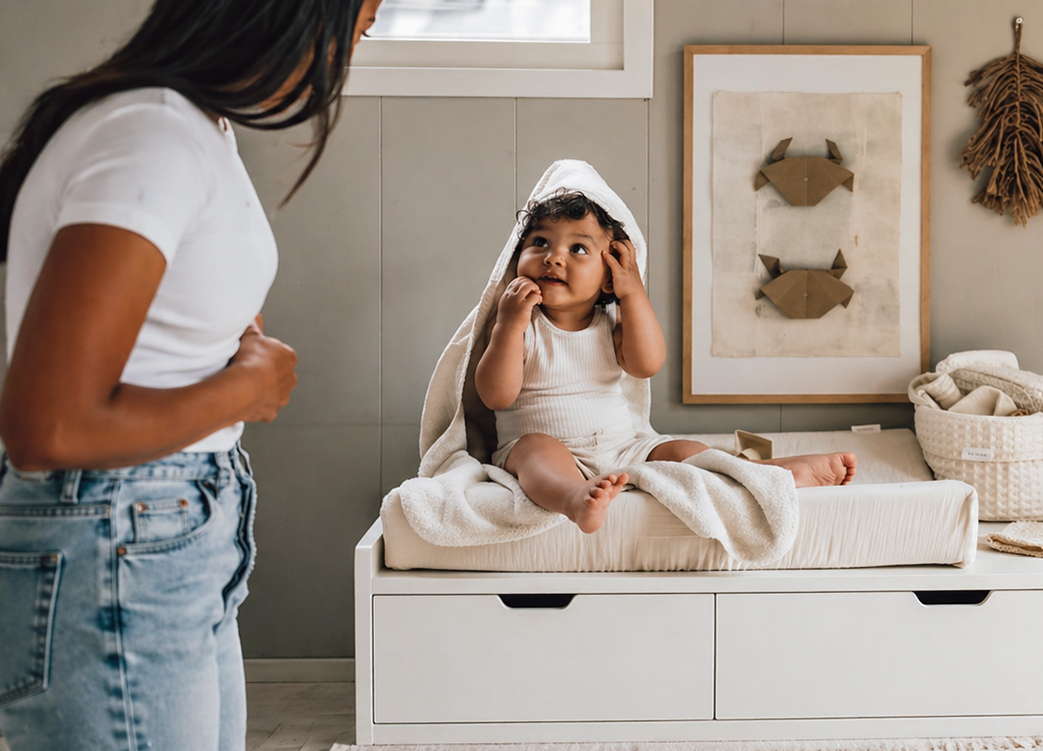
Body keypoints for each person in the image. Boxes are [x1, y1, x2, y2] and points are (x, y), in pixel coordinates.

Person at [0, 1, 382, 748]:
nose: (344, 62)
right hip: (121, 529)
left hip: (160, 531)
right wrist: (249, 389)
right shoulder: (151, 133)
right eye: (355, 32)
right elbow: (46, 425)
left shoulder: (190, 127)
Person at [476, 191, 856, 534]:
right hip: (541, 447)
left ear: (609, 278)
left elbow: (646, 363)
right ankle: (574, 499)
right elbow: (497, 396)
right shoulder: (518, 322)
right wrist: (509, 325)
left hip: (622, 448)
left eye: (578, 249)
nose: (553, 256)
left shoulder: (612, 323)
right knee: (536, 452)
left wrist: (633, 293)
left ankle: (768, 473)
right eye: (539, 242)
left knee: (680, 451)